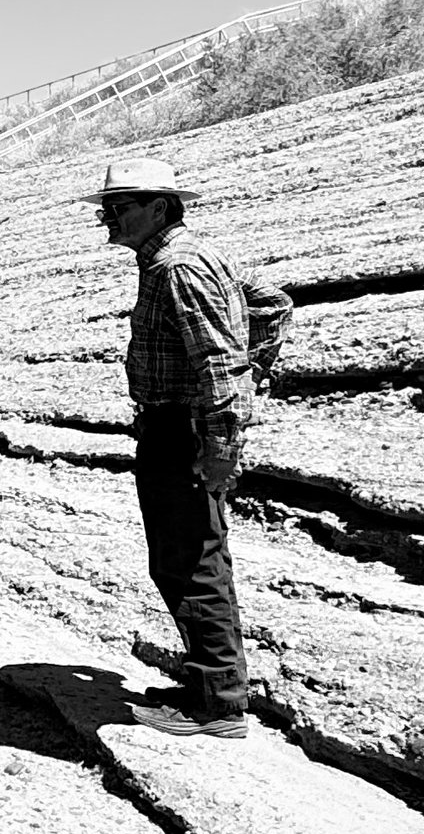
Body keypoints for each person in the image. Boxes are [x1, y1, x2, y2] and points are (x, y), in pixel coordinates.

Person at [90, 155, 292, 739]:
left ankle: (217, 703)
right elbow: (272, 304)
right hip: (180, 425)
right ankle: (211, 685)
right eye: (107, 207)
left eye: (119, 207)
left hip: (183, 429)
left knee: (191, 561)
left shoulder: (178, 265)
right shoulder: (185, 257)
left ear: (159, 207)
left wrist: (223, 436)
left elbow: (219, 358)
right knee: (189, 555)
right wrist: (256, 368)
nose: (108, 218)